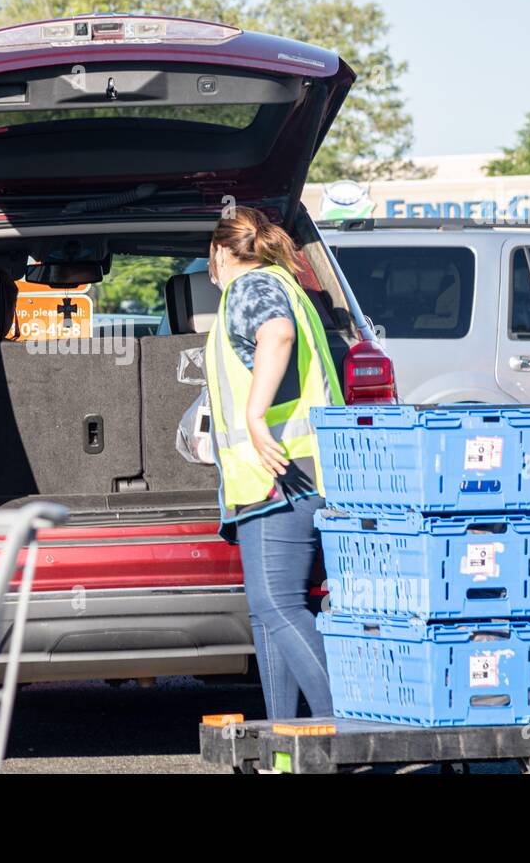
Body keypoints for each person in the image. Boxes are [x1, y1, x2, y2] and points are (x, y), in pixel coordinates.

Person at [203, 206, 344, 720]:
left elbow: (276, 335)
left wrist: (255, 415)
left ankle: (350, 726)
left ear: (219, 252)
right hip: (295, 475)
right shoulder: (285, 283)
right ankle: (285, 742)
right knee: (268, 615)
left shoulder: (251, 288)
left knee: (278, 607)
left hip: (281, 477)